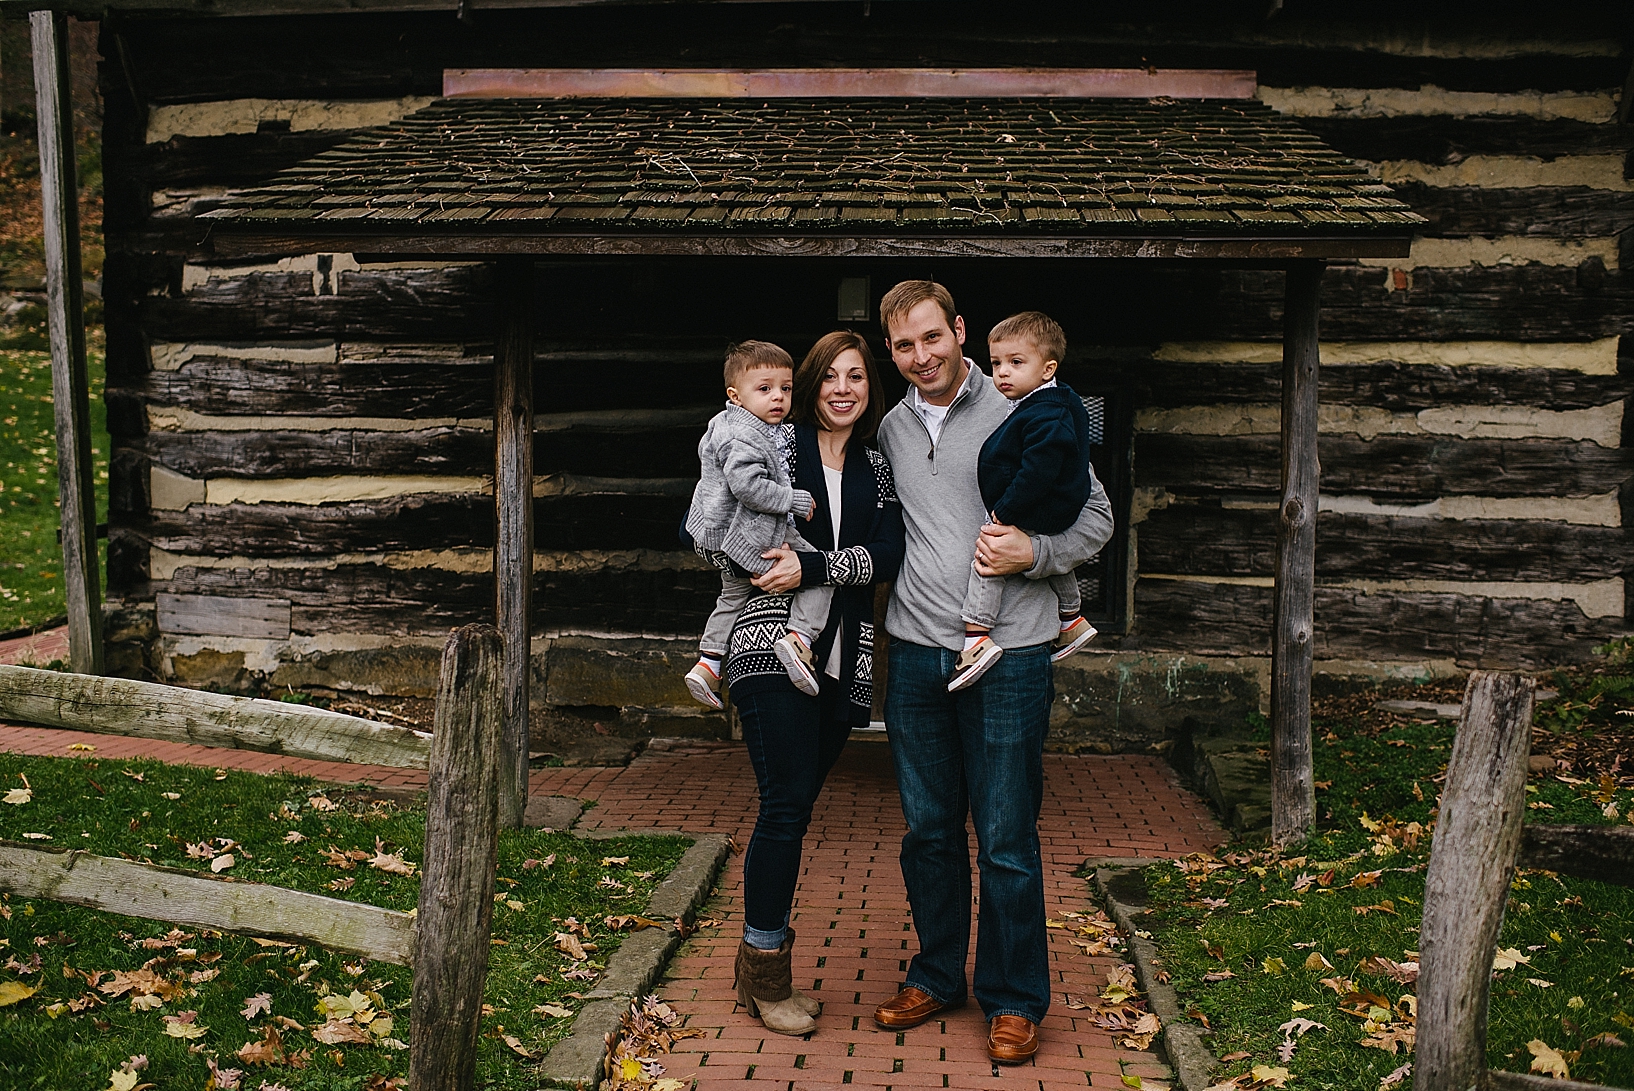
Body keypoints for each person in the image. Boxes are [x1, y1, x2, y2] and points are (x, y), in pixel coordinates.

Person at [872, 281, 1114, 1063]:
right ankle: (938, 973)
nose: (922, 357)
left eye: (932, 338)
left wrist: (1035, 553)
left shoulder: (1024, 402)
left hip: (1008, 650)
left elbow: (1097, 516)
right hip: (914, 649)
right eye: (905, 346)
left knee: (1006, 835)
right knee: (928, 830)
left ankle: (1014, 997)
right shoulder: (891, 426)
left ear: (960, 331)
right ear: (892, 351)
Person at [723, 330, 904, 1036]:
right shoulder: (777, 442)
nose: (841, 388)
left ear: (868, 388)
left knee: (796, 799)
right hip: (768, 639)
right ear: (808, 383)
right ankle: (767, 974)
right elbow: (718, 511)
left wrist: (819, 567)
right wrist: (754, 562)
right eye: (829, 375)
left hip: (845, 653)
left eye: (855, 376)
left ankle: (754, 965)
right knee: (786, 804)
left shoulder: (876, 464)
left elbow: (889, 550)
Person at [948, 310, 1098, 692]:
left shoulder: (1046, 413)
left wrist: (1005, 510)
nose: (1002, 373)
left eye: (1016, 363)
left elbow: (1038, 469)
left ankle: (977, 635)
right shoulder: (1048, 404)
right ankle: (1072, 618)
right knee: (1027, 544)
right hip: (1052, 504)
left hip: (1040, 501)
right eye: (996, 363)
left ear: (1048, 369)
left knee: (990, 552)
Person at [683, 340, 835, 708]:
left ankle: (708, 664)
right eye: (764, 389)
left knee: (731, 596)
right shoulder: (744, 434)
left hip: (728, 535)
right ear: (735, 395)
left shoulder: (727, 424)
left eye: (785, 388)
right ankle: (798, 640)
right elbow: (747, 486)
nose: (778, 398)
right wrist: (793, 499)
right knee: (820, 573)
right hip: (750, 536)